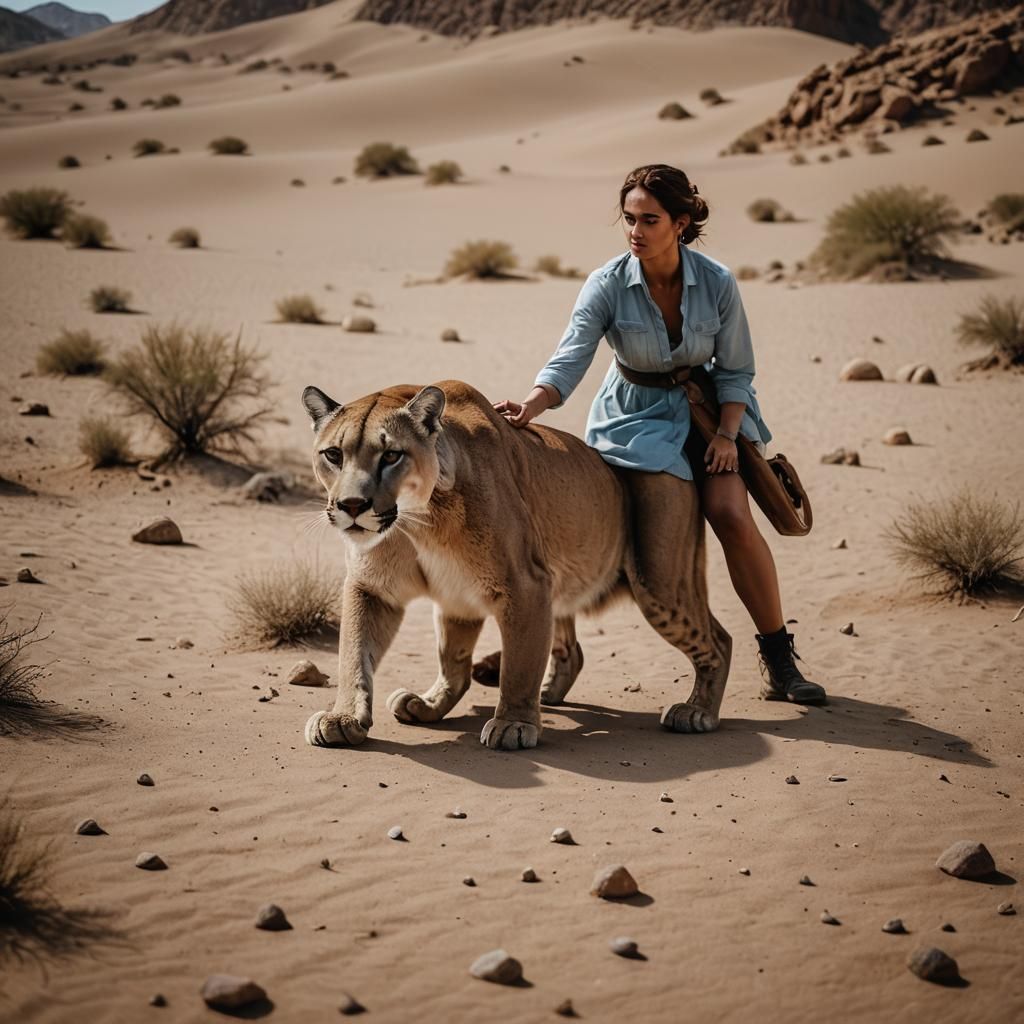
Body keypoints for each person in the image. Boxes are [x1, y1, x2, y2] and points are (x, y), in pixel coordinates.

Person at [494, 164, 826, 705]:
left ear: (681, 222)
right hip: (635, 423)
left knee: (732, 517)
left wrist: (725, 436)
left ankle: (779, 661)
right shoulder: (606, 283)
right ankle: (556, 647)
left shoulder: (716, 281)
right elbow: (570, 357)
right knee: (592, 523)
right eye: (628, 219)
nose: (636, 231)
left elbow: (737, 368)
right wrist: (532, 406)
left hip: (713, 415)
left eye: (649, 220)